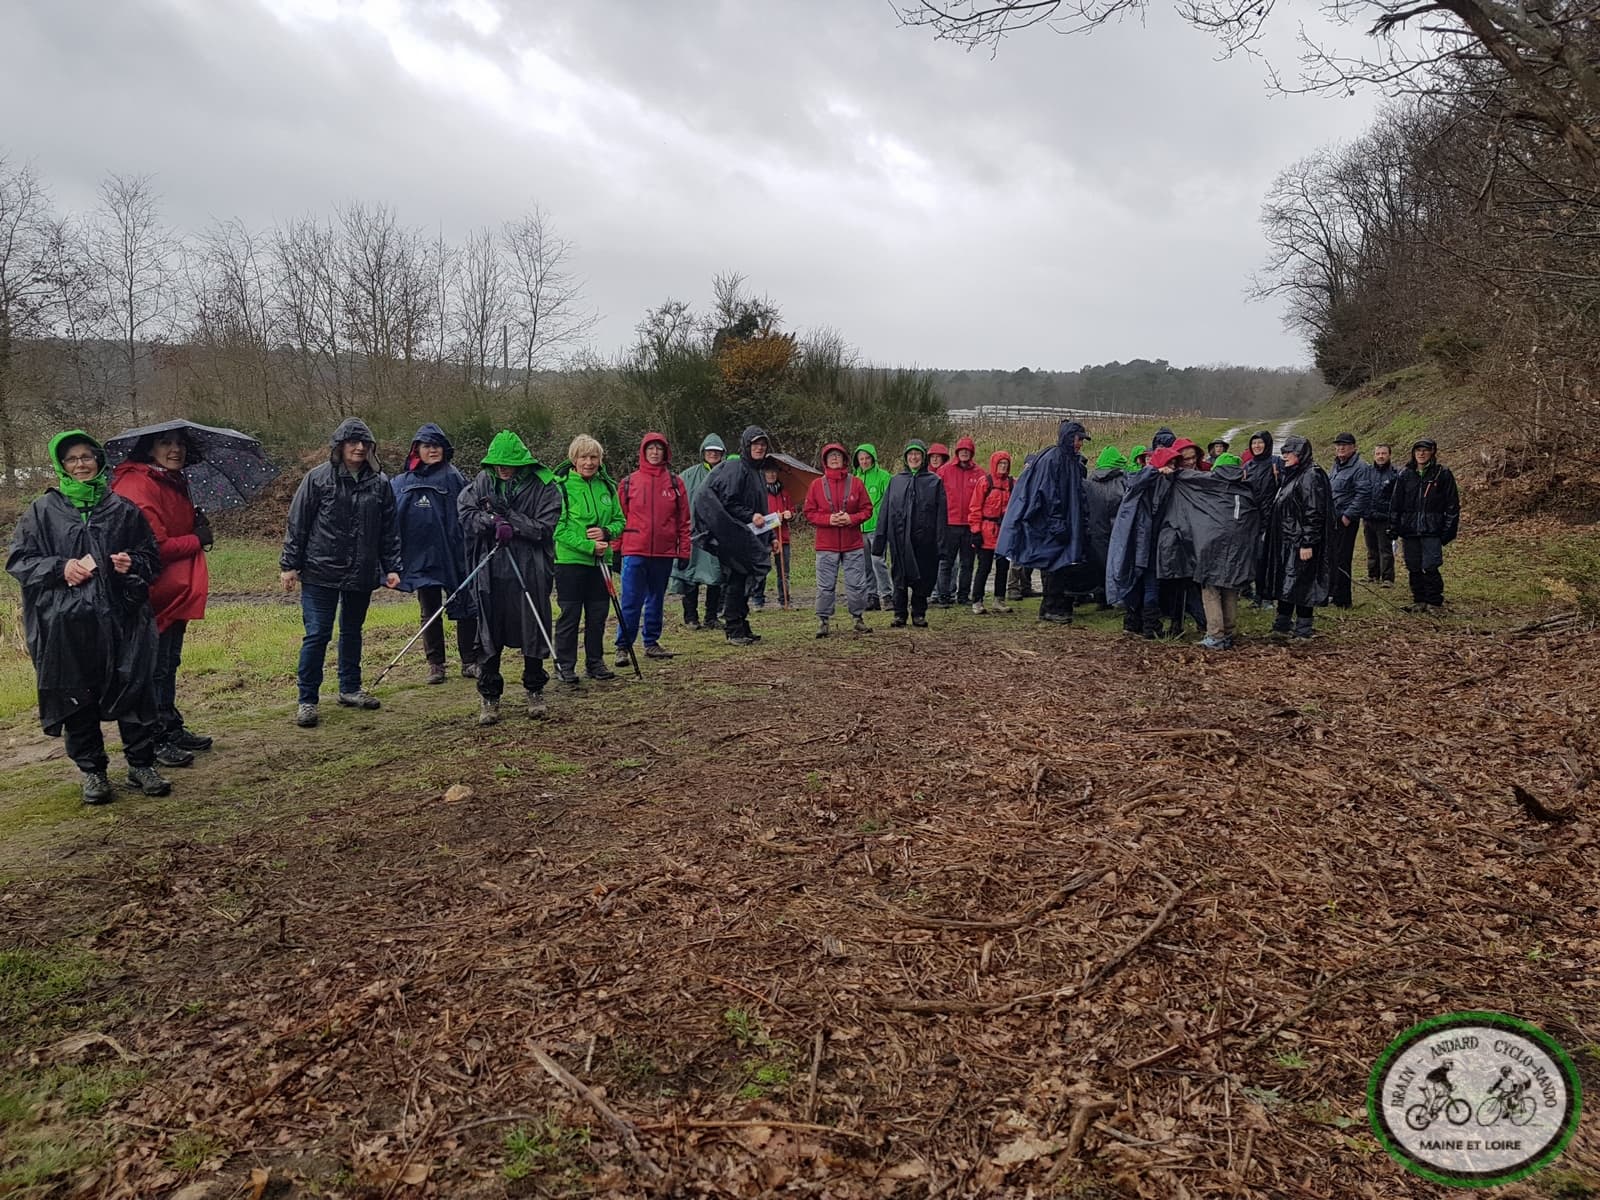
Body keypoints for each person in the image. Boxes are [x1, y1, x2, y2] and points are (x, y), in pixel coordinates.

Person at [9, 431, 170, 802]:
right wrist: (60, 568)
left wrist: (133, 563)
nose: (81, 465)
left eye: (87, 457)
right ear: (60, 465)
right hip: (65, 624)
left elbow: (151, 559)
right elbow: (19, 561)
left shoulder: (123, 509)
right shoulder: (42, 511)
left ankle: (141, 764)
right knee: (75, 696)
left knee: (134, 687)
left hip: (122, 618)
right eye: (72, 459)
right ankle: (93, 772)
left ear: (99, 460)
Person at [280, 417, 401, 728]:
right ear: (340, 446)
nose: (359, 448)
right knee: (318, 634)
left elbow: (389, 530)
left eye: (365, 443)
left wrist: (391, 567)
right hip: (320, 570)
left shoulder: (381, 483)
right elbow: (298, 523)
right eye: (353, 442)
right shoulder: (317, 479)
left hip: (361, 572)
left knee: (352, 632)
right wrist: (289, 565)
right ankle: (307, 700)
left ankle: (349, 688)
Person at [109, 428, 212, 767]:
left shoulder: (170, 480)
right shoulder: (137, 485)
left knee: (168, 664)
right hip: (149, 594)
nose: (176, 449)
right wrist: (197, 538)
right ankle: (153, 738)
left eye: (181, 443)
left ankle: (169, 726)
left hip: (175, 590)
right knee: (152, 668)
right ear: (148, 447)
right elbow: (156, 547)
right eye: (166, 442)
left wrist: (193, 522)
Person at [459, 431, 561, 724]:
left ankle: (535, 689)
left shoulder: (545, 486)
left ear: (522, 462)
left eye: (508, 462)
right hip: (491, 568)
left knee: (533, 627)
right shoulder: (483, 481)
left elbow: (543, 529)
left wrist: (511, 519)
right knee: (490, 630)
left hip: (531, 569)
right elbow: (465, 513)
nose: (502, 468)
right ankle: (489, 696)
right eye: (497, 463)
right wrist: (492, 521)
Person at [390, 423, 478, 685]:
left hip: (454, 552)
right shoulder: (401, 482)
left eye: (437, 446)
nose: (433, 451)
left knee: (465, 606)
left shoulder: (454, 477)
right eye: (427, 446)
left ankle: (469, 660)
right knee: (430, 609)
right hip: (420, 556)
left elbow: (470, 510)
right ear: (417, 449)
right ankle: (436, 664)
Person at [997, 419, 1090, 625]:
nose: (1080, 444)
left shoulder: (1069, 460)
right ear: (1068, 438)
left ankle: (1054, 606)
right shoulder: (1054, 460)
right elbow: (1048, 494)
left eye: (1081, 440)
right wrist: (1058, 524)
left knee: (1061, 566)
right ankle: (1050, 608)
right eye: (1077, 439)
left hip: (1064, 522)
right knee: (1054, 566)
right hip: (1052, 525)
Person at [552, 435, 624, 685]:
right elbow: (557, 529)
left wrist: (606, 533)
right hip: (570, 563)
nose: (589, 462)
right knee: (570, 616)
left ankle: (595, 663)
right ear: (574, 459)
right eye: (584, 457)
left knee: (598, 615)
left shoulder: (607, 486)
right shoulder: (560, 486)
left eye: (594, 457)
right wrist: (588, 546)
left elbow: (619, 521)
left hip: (601, 564)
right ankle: (564, 665)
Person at [615, 432, 691, 665]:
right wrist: (616, 550)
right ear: (643, 452)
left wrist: (685, 550)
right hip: (634, 550)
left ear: (665, 452)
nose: (655, 452)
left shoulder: (676, 483)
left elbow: (684, 520)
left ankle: (651, 642)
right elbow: (619, 518)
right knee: (630, 599)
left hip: (663, 552)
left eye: (659, 448)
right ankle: (623, 646)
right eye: (651, 448)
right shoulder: (629, 483)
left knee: (656, 599)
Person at [695, 426, 774, 646]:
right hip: (734, 534)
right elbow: (729, 502)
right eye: (755, 444)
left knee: (747, 578)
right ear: (747, 446)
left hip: (751, 535)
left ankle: (741, 622)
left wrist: (771, 537)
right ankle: (733, 628)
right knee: (737, 580)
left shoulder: (757, 473)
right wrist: (751, 515)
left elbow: (762, 508)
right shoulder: (736, 468)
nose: (759, 448)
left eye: (763, 444)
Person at [1264, 434, 1334, 639]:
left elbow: (1314, 512)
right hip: (1288, 540)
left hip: (1301, 542)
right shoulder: (1294, 474)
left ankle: (1303, 630)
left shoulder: (1310, 475)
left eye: (1289, 452)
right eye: (1283, 452)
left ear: (1301, 454)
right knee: (1287, 582)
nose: (1284, 456)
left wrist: (1307, 542)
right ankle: (1282, 624)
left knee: (1303, 584)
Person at [1106, 447, 1180, 638]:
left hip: (1145, 540)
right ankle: (1149, 625)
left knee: (1139, 581)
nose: (1173, 468)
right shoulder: (1147, 481)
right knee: (1148, 583)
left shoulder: (1149, 481)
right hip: (1146, 541)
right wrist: (1156, 470)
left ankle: (1135, 623)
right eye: (1170, 463)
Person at [873, 439, 947, 627]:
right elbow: (885, 512)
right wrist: (880, 542)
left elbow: (941, 515)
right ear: (906, 458)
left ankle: (919, 613)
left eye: (917, 454)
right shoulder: (896, 481)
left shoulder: (934, 482)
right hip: (899, 538)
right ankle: (899, 614)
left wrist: (941, 543)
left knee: (922, 576)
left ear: (923, 458)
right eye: (910, 454)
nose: (914, 457)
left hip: (925, 540)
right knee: (900, 576)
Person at [804, 442, 874, 637]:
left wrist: (852, 519)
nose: (834, 458)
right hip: (826, 544)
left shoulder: (856, 483)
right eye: (830, 456)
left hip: (852, 543)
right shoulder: (816, 485)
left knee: (857, 584)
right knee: (825, 585)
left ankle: (858, 619)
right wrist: (828, 520)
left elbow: (867, 509)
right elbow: (809, 512)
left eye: (838, 455)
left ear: (844, 459)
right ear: (825, 461)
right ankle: (823, 621)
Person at [1191, 454, 1259, 650]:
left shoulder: (1211, 487)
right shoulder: (1246, 490)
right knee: (1231, 586)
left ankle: (1215, 634)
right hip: (1239, 546)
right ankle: (1228, 631)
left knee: (1210, 588)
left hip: (1213, 544)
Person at [1389, 437, 1460, 613]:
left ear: (1432, 452)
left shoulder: (1442, 473)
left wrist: (1448, 531)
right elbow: (1396, 503)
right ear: (1414, 453)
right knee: (1413, 566)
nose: (1421, 453)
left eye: (1425, 450)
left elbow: (1452, 504)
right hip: (1410, 529)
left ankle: (1434, 602)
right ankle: (1419, 600)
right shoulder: (1405, 474)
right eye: (1418, 450)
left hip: (1432, 528)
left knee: (1430, 565)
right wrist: (1393, 526)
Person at [669, 434, 726, 631]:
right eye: (710, 450)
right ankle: (690, 617)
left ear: (722, 453)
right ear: (703, 452)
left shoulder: (727, 474)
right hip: (693, 533)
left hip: (718, 534)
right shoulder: (688, 475)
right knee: (690, 575)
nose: (713, 454)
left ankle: (711, 617)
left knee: (716, 576)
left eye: (717, 451)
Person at [1327, 432, 1374, 608]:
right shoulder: (1336, 465)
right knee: (1332, 556)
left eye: (1345, 445)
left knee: (1342, 558)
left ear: (1354, 447)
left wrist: (1348, 515)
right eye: (1338, 445)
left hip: (1345, 519)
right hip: (1333, 517)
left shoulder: (1360, 467)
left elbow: (1363, 494)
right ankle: (1332, 593)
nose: (1341, 448)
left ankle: (1342, 599)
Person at [935, 436, 982, 606]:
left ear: (971, 453)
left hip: (969, 526)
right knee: (946, 562)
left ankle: (963, 596)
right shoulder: (944, 471)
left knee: (967, 563)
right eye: (961, 451)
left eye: (967, 451)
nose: (964, 453)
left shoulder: (979, 473)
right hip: (949, 524)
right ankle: (943, 596)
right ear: (956, 452)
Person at [1083, 446, 1129, 610]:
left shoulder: (1091, 480)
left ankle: (1100, 598)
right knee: (1118, 564)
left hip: (1097, 527)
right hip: (1118, 527)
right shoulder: (1123, 480)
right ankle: (1117, 597)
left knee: (1097, 562)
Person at [968, 450, 1013, 615]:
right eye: (1000, 464)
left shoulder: (1011, 483)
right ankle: (977, 600)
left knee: (1003, 567)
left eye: (1006, 464)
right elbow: (975, 508)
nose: (1003, 467)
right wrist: (975, 531)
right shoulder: (984, 482)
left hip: (1004, 532)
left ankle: (999, 600)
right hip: (987, 531)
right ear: (994, 465)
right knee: (984, 567)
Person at [1242, 431, 1281, 608]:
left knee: (1267, 557)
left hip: (1271, 517)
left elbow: (1284, 487)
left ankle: (1268, 596)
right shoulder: (1248, 466)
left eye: (1260, 443)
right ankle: (1258, 595)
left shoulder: (1275, 462)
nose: (1256, 446)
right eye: (1254, 443)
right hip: (1252, 518)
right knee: (1256, 558)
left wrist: (1278, 477)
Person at [854, 444, 894, 612]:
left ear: (873, 458)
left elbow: (890, 502)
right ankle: (872, 596)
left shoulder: (884, 477)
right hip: (859, 527)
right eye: (861, 459)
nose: (864, 461)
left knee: (878, 561)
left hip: (877, 527)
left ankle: (887, 595)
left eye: (867, 458)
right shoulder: (854, 479)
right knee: (865, 564)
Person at [752, 461, 796, 609]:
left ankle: (785, 599)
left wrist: (790, 514)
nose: (771, 475)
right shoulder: (759, 493)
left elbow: (792, 510)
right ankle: (758, 600)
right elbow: (756, 515)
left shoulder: (785, 493)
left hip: (783, 536)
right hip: (763, 537)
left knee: (784, 571)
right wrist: (773, 518)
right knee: (761, 569)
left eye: (773, 472)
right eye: (768, 472)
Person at [1005, 452, 1042, 602]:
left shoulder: (1038, 483)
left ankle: (1026, 586)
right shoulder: (1019, 483)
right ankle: (1013, 587)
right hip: (1019, 523)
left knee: (1030, 557)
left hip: (1032, 523)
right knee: (1017, 558)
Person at [1366, 443, 1399, 586]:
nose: (1380, 456)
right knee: (1371, 549)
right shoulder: (1367, 472)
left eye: (1383, 453)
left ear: (1389, 455)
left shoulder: (1395, 473)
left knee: (1385, 549)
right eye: (1378, 453)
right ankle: (1373, 575)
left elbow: (1397, 497)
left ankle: (1387, 578)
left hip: (1385, 518)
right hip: (1368, 517)